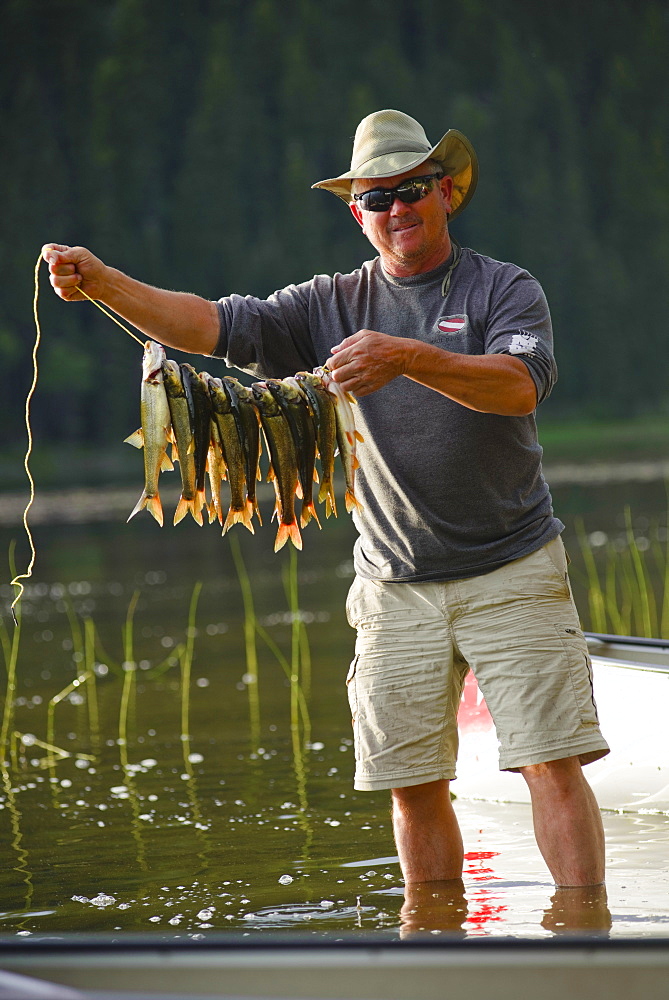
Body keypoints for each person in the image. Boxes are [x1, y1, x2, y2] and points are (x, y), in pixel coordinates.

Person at [44, 109, 609, 890]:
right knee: (410, 787)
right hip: (391, 583)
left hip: (508, 566)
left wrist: (409, 357)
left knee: (548, 764)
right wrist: (103, 281)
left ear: (445, 192)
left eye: (411, 189)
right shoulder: (326, 304)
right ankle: (432, 953)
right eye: (376, 198)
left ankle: (583, 941)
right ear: (357, 214)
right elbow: (209, 326)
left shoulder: (502, 288)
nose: (396, 207)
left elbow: (518, 389)